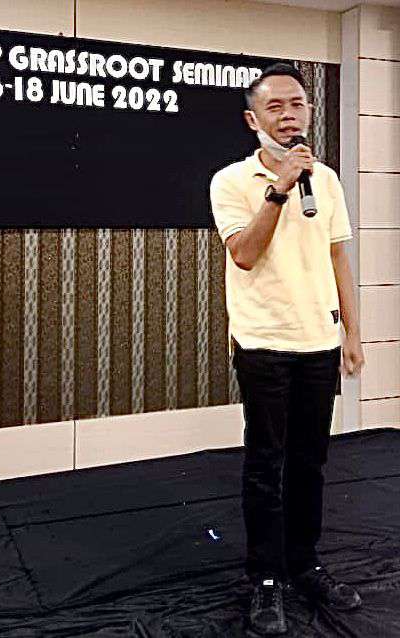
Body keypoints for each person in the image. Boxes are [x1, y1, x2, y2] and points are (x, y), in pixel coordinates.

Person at [209, 63, 365, 635]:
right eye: (275, 106)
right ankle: (266, 578)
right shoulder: (231, 181)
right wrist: (278, 189)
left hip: (319, 341)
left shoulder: (326, 181)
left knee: (310, 462)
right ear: (253, 120)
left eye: (297, 104)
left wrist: (353, 333)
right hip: (264, 343)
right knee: (265, 464)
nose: (289, 115)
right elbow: (244, 253)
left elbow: (338, 257)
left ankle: (304, 564)